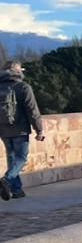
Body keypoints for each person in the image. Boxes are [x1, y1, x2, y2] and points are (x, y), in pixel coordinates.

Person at [0, 60, 46, 201]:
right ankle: (7, 180)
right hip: (20, 129)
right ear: (19, 71)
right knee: (22, 158)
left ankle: (16, 190)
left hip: (3, 128)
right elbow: (32, 111)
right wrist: (39, 130)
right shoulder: (23, 87)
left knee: (12, 158)